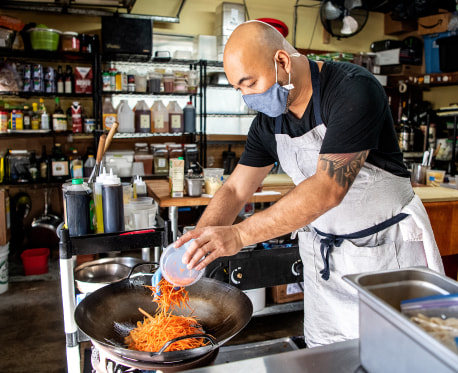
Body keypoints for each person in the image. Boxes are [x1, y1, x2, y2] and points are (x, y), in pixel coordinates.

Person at [173, 20, 444, 347]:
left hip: (386, 256)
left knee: (394, 356)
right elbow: (235, 189)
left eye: (251, 83)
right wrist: (200, 243)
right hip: (326, 263)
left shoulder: (352, 89)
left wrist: (240, 234)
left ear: (283, 62)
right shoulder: (268, 124)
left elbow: (327, 189)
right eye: (239, 89)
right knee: (326, 357)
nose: (247, 98)